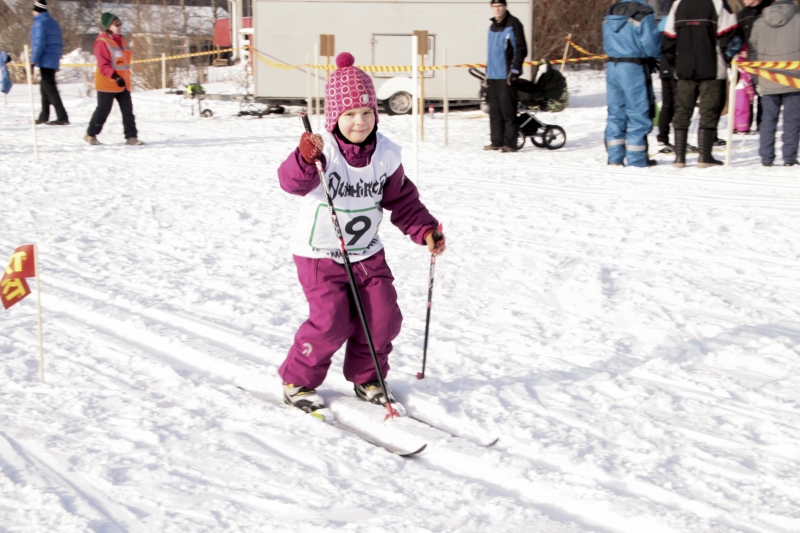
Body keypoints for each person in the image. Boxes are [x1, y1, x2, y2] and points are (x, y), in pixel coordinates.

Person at [276, 52, 446, 414]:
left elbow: (402, 200)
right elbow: (290, 182)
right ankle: (298, 380)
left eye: (367, 113)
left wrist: (425, 229)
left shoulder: (386, 155)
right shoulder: (323, 150)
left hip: (366, 252)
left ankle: (368, 376)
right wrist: (304, 158)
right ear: (335, 117)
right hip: (319, 254)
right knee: (332, 321)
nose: (359, 122)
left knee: (383, 316)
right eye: (350, 114)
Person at [662, 0, 738, 168]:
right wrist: (726, 59)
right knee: (709, 111)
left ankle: (680, 158)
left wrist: (676, 62)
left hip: (684, 68)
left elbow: (668, 37)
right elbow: (730, 33)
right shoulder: (717, 3)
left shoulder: (678, 4)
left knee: (682, 112)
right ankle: (704, 156)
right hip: (712, 67)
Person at [603, 0, 662, 167]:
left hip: (612, 65)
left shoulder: (611, 11)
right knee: (638, 113)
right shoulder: (643, 13)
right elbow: (651, 45)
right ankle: (637, 159)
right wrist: (659, 54)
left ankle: (615, 158)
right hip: (634, 67)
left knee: (616, 113)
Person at [749, 0, 800, 167]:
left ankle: (766, 157)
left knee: (768, 119)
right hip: (794, 77)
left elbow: (752, 51)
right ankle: (789, 157)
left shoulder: (759, 22)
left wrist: (756, 79)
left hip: (767, 76)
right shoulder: (798, 18)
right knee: (792, 119)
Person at [85, 12, 143, 146]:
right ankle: (91, 134)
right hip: (108, 83)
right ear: (108, 26)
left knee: (128, 111)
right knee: (103, 111)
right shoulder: (102, 42)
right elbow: (103, 64)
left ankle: (131, 137)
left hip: (123, 84)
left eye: (120, 23)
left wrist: (124, 78)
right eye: (116, 24)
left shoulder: (121, 40)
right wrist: (115, 76)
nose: (119, 26)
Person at [484, 0, 528, 152]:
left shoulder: (513, 24)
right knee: (494, 111)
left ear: (505, 7)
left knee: (508, 111)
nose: (497, 9)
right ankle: (496, 141)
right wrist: (487, 74)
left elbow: (521, 48)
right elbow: (490, 53)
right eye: (494, 6)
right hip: (493, 76)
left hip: (506, 76)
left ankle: (510, 143)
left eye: (500, 6)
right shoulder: (492, 27)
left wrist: (514, 71)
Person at [30, 0, 68, 125]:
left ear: (37, 10)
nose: (32, 12)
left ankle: (62, 116)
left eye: (33, 9)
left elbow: (39, 44)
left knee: (50, 88)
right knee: (44, 87)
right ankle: (44, 115)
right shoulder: (53, 22)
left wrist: (32, 60)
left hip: (45, 59)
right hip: (53, 58)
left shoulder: (39, 24)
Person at [733, 45, 756, 134]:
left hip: (735, 88)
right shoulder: (744, 63)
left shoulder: (735, 61)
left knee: (735, 109)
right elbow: (747, 77)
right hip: (743, 88)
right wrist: (750, 89)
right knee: (743, 109)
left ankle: (734, 126)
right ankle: (742, 128)